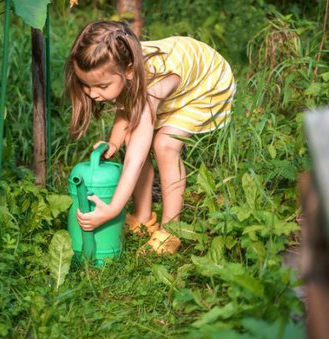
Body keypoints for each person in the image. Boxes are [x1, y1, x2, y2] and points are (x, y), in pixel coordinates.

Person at [65, 20, 236, 254]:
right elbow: (128, 104)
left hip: (207, 84)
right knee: (130, 138)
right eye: (86, 85)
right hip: (179, 80)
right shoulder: (122, 62)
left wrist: (113, 209)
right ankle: (142, 217)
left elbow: (134, 161)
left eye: (101, 86)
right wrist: (115, 141)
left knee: (164, 145)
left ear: (129, 71)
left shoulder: (149, 87)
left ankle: (171, 230)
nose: (93, 94)